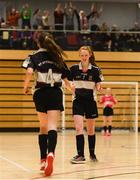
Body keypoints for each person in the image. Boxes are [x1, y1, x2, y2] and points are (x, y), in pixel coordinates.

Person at [22, 32, 72, 176]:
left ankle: (43, 159)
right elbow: (65, 79)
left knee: (43, 127)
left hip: (40, 93)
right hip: (55, 92)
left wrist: (25, 87)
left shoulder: (34, 56)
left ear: (38, 43)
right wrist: (71, 89)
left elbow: (29, 72)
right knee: (52, 127)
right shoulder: (58, 57)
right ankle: (51, 154)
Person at [69, 46, 103, 164]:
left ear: (90, 55)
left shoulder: (95, 69)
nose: (84, 57)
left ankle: (92, 154)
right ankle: (80, 155)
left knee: (90, 129)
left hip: (90, 101)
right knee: (78, 128)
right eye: (82, 55)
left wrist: (99, 88)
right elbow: (66, 82)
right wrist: (70, 87)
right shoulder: (73, 68)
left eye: (86, 55)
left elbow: (98, 84)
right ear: (79, 56)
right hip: (77, 101)